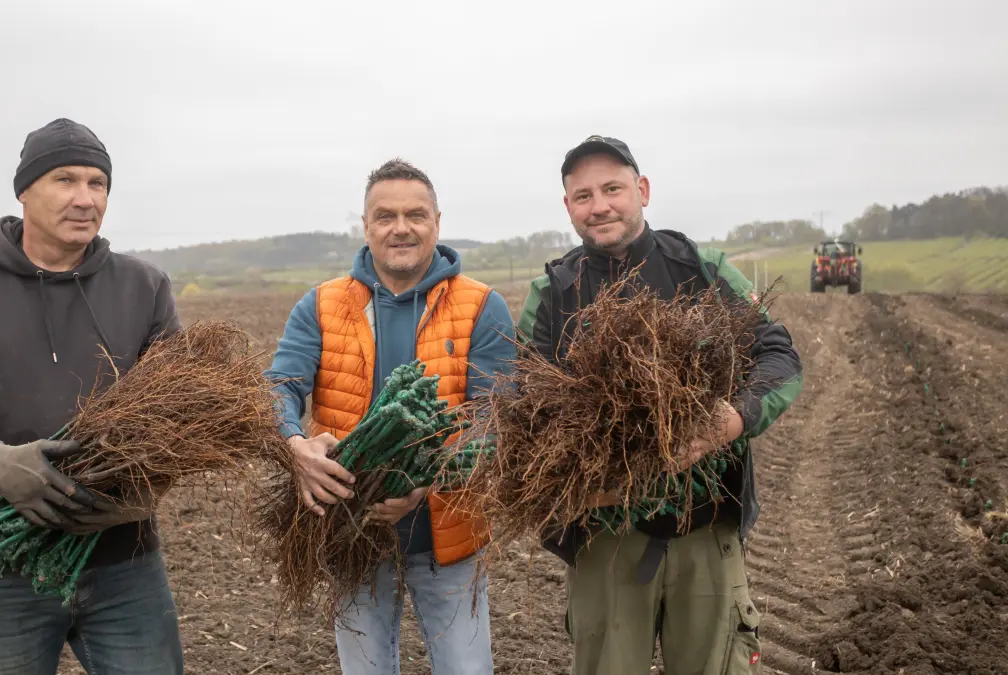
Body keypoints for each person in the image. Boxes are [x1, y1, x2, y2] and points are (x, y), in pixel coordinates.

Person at [0, 118, 185, 675]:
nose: (84, 198)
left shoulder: (144, 287)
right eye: (64, 180)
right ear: (24, 189)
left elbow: (179, 416)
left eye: (98, 183)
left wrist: (137, 487)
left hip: (125, 563)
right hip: (0, 567)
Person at [515, 136, 803, 675]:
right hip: (603, 537)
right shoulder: (552, 292)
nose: (599, 205)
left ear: (642, 191)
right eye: (583, 195)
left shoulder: (700, 268)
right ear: (568, 207)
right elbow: (522, 404)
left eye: (612, 189)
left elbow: (777, 354)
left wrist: (733, 419)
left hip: (705, 528)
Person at [264, 158, 515, 674]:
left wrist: (424, 483)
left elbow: (496, 419)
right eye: (385, 216)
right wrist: (296, 446)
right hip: (352, 530)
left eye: (415, 214)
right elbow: (279, 387)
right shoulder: (321, 305)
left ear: (437, 222)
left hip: (450, 536)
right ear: (366, 227)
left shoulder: (481, 305)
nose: (401, 227)